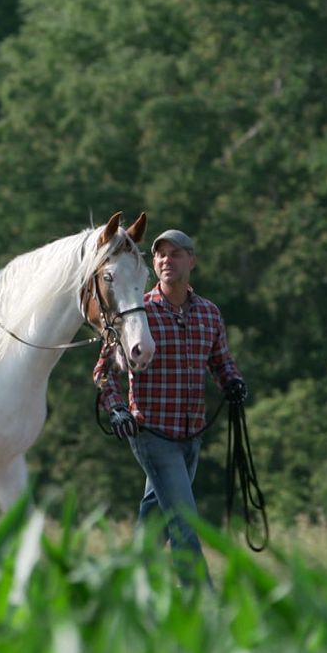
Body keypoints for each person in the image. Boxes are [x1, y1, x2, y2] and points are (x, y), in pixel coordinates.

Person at [93, 228, 247, 585]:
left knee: (154, 523)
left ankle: (125, 591)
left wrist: (234, 383)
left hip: (192, 433)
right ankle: (202, 602)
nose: (165, 260)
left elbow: (221, 362)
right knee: (183, 520)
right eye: (160, 255)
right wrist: (117, 408)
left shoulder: (209, 314)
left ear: (191, 261)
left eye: (175, 254)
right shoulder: (138, 313)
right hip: (151, 432)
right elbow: (103, 370)